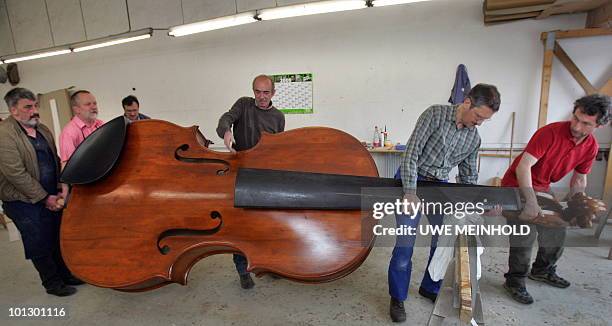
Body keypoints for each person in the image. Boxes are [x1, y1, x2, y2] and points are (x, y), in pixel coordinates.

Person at [389, 84, 501, 323]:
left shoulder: (473, 138)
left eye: (485, 120)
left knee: (443, 241)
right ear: (468, 103)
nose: (479, 123)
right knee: (405, 245)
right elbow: (411, 153)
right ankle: (397, 297)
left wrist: (482, 205)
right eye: (479, 116)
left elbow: (468, 178)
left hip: (440, 186)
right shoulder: (435, 114)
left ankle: (430, 287)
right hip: (413, 178)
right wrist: (410, 192)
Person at [501, 94, 610, 305]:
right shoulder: (549, 132)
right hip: (517, 185)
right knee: (525, 231)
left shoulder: (591, 147)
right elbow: (524, 167)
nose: (577, 127)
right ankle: (515, 281)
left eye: (586, 123)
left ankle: (542, 270)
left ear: (600, 125)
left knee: (558, 228)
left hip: (543, 187)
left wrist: (578, 202)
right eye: (575, 118)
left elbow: (579, 178)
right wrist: (531, 202)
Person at [0, 88, 84, 296]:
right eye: (28, 107)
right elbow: (16, 174)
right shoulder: (4, 136)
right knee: (39, 240)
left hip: (50, 195)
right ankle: (52, 283)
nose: (35, 110)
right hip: (21, 200)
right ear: (13, 111)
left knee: (56, 236)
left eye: (35, 105)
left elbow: (54, 161)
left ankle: (65, 274)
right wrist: (45, 197)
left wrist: (58, 187)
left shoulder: (42, 129)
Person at [216, 74, 285, 289]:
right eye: (257, 91)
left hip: (265, 178)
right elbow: (225, 119)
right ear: (253, 91)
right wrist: (226, 131)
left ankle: (268, 266)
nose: (261, 96)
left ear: (273, 93)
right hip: (241, 175)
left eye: (266, 92)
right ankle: (242, 270)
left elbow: (278, 148)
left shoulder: (279, 117)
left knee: (267, 225)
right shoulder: (243, 105)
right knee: (241, 226)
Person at [59, 90, 104, 166]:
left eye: (95, 103)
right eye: (88, 104)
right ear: (76, 109)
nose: (93, 107)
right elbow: (68, 165)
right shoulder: (68, 133)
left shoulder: (101, 124)